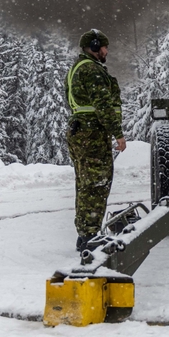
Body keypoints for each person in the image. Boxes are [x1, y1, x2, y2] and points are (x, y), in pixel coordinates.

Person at [65, 29, 126, 251]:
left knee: (84, 184)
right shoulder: (92, 70)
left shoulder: (76, 69)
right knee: (96, 184)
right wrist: (118, 133)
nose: (106, 51)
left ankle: (85, 234)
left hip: (80, 132)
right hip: (92, 134)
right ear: (94, 46)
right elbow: (103, 105)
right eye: (104, 47)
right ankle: (90, 237)